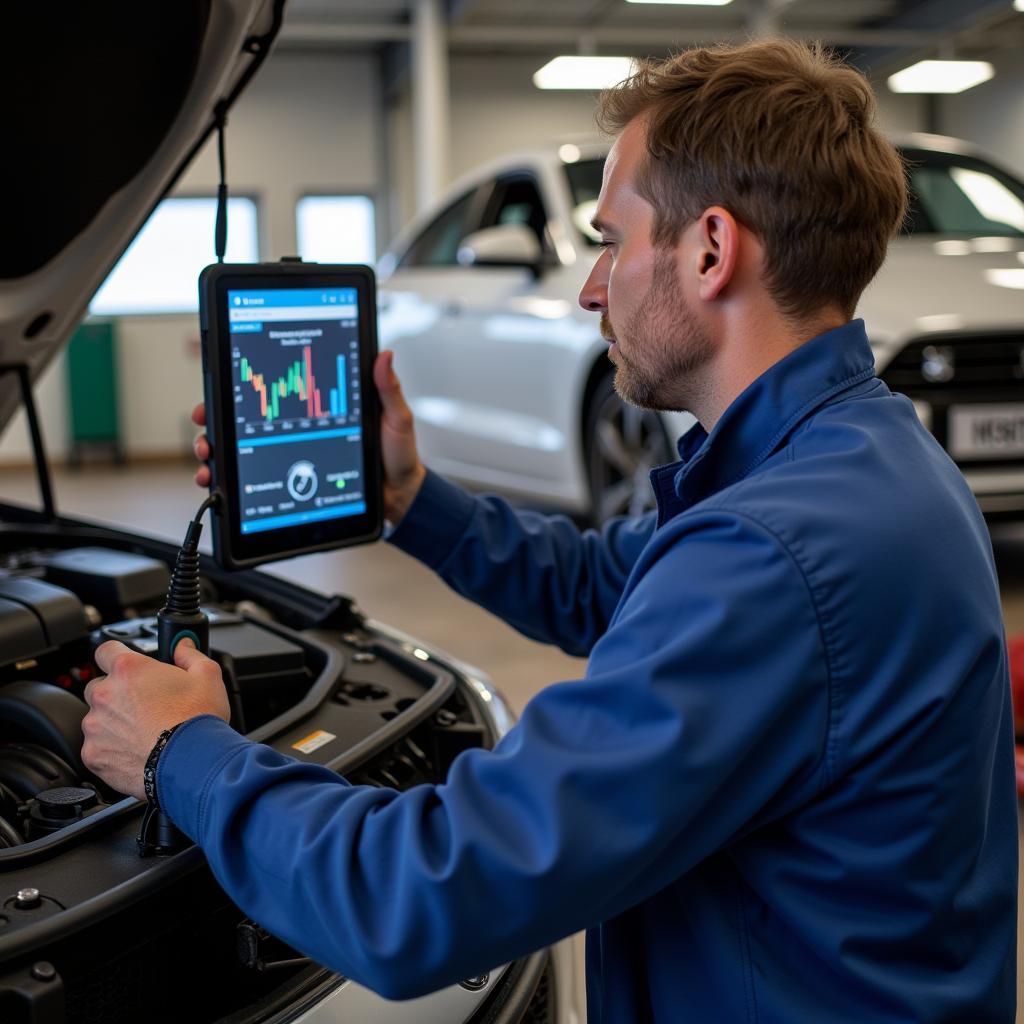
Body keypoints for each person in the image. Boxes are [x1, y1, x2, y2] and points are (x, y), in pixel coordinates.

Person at [81, 39, 1017, 1021]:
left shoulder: (773, 553)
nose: (589, 285)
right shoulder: (860, 457)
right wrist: (405, 494)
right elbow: (601, 585)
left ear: (709, 249)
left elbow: (421, 896)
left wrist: (180, 748)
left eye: (611, 240)